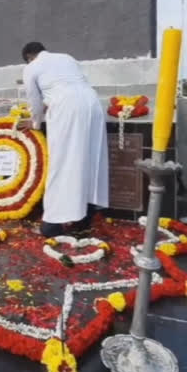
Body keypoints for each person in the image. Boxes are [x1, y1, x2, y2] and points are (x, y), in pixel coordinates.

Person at [19, 42, 109, 237]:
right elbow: (65, 86)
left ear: (28, 57)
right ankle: (85, 217)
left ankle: (52, 224)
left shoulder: (31, 68)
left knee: (62, 162)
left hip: (67, 109)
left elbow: (35, 101)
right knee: (90, 159)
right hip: (92, 104)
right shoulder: (67, 57)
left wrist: (35, 123)